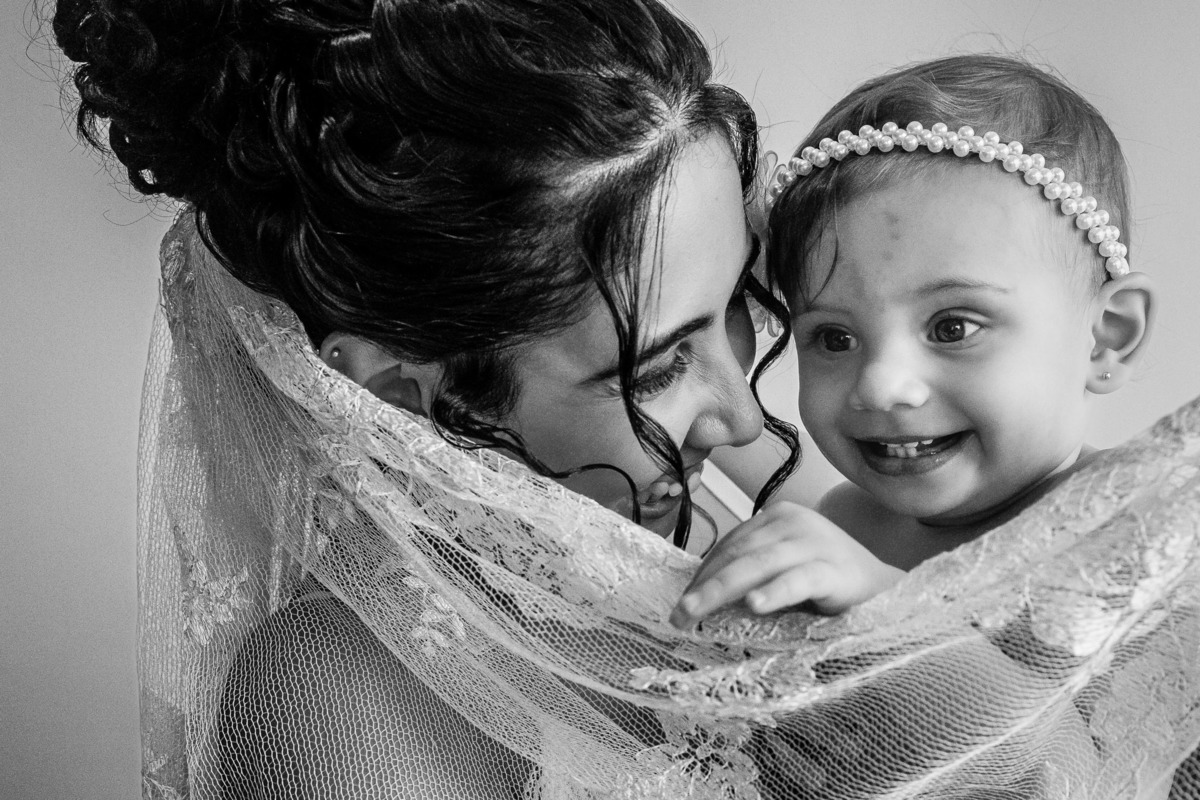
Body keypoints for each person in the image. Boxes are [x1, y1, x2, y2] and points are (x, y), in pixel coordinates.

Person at [56, 0, 1200, 791]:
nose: (752, 419)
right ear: (403, 395)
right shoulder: (335, 697)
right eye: (657, 365)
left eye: (745, 307)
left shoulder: (779, 534)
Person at [672, 54, 1154, 627]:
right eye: (834, 337)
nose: (880, 386)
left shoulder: (1129, 522)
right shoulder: (848, 521)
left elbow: (1059, 689)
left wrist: (883, 604)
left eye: (953, 328)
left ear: (1105, 339)